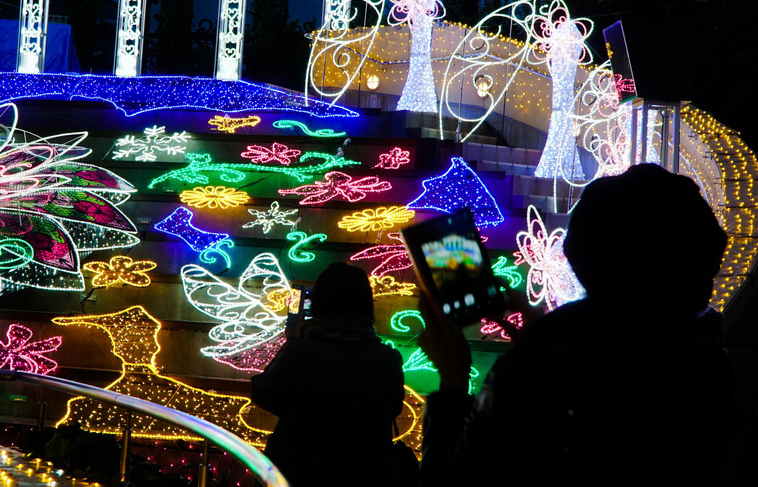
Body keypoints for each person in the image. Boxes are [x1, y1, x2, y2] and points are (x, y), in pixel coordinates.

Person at [418, 164, 735, 486]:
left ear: (581, 257)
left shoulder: (537, 371)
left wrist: (453, 381)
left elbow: (446, 485)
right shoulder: (711, 361)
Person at [251, 262, 405, 486]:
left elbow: (263, 392)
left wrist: (294, 341)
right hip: (366, 474)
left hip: (299, 472)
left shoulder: (301, 352)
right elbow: (393, 409)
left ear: (319, 304)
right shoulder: (388, 359)